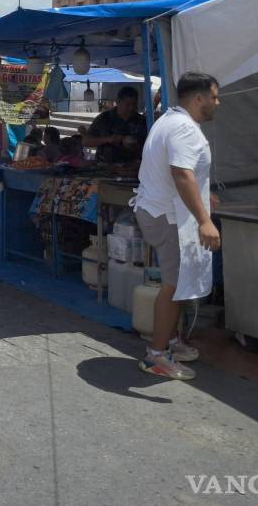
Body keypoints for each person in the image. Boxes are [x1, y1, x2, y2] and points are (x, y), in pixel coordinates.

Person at [134, 72, 222, 381]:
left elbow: (184, 175)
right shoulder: (185, 129)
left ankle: (169, 341)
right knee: (174, 286)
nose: (217, 102)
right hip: (166, 216)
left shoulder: (169, 120)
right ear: (198, 98)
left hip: (159, 210)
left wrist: (202, 194)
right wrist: (205, 220)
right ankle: (156, 356)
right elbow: (181, 174)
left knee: (178, 283)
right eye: (214, 96)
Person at [82, 86, 148, 165]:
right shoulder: (104, 118)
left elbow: (148, 145)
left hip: (132, 167)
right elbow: (86, 141)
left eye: (134, 104)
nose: (131, 108)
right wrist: (108, 139)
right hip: (105, 167)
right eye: (127, 104)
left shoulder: (141, 120)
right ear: (118, 102)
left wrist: (135, 146)